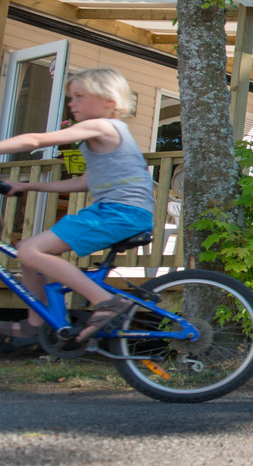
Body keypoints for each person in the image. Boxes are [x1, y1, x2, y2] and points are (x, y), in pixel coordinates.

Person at [0, 68, 154, 344]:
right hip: (119, 211)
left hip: (119, 213)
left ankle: (106, 302)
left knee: (30, 250)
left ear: (108, 101)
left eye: (79, 96)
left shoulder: (103, 126)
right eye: (71, 97)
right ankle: (37, 322)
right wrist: (27, 186)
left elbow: (36, 140)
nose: (71, 103)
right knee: (28, 250)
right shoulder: (107, 136)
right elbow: (84, 182)